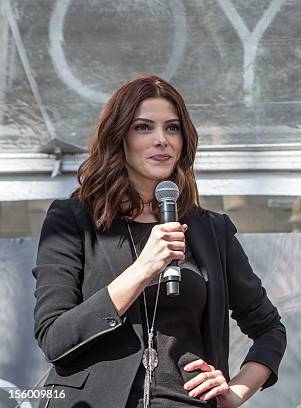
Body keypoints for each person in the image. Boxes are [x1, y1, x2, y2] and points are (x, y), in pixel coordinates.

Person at [33, 75, 286, 408]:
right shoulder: (72, 220)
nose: (161, 140)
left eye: (172, 128)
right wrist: (142, 270)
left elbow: (269, 328)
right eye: (143, 127)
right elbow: (54, 338)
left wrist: (236, 391)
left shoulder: (211, 230)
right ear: (119, 137)